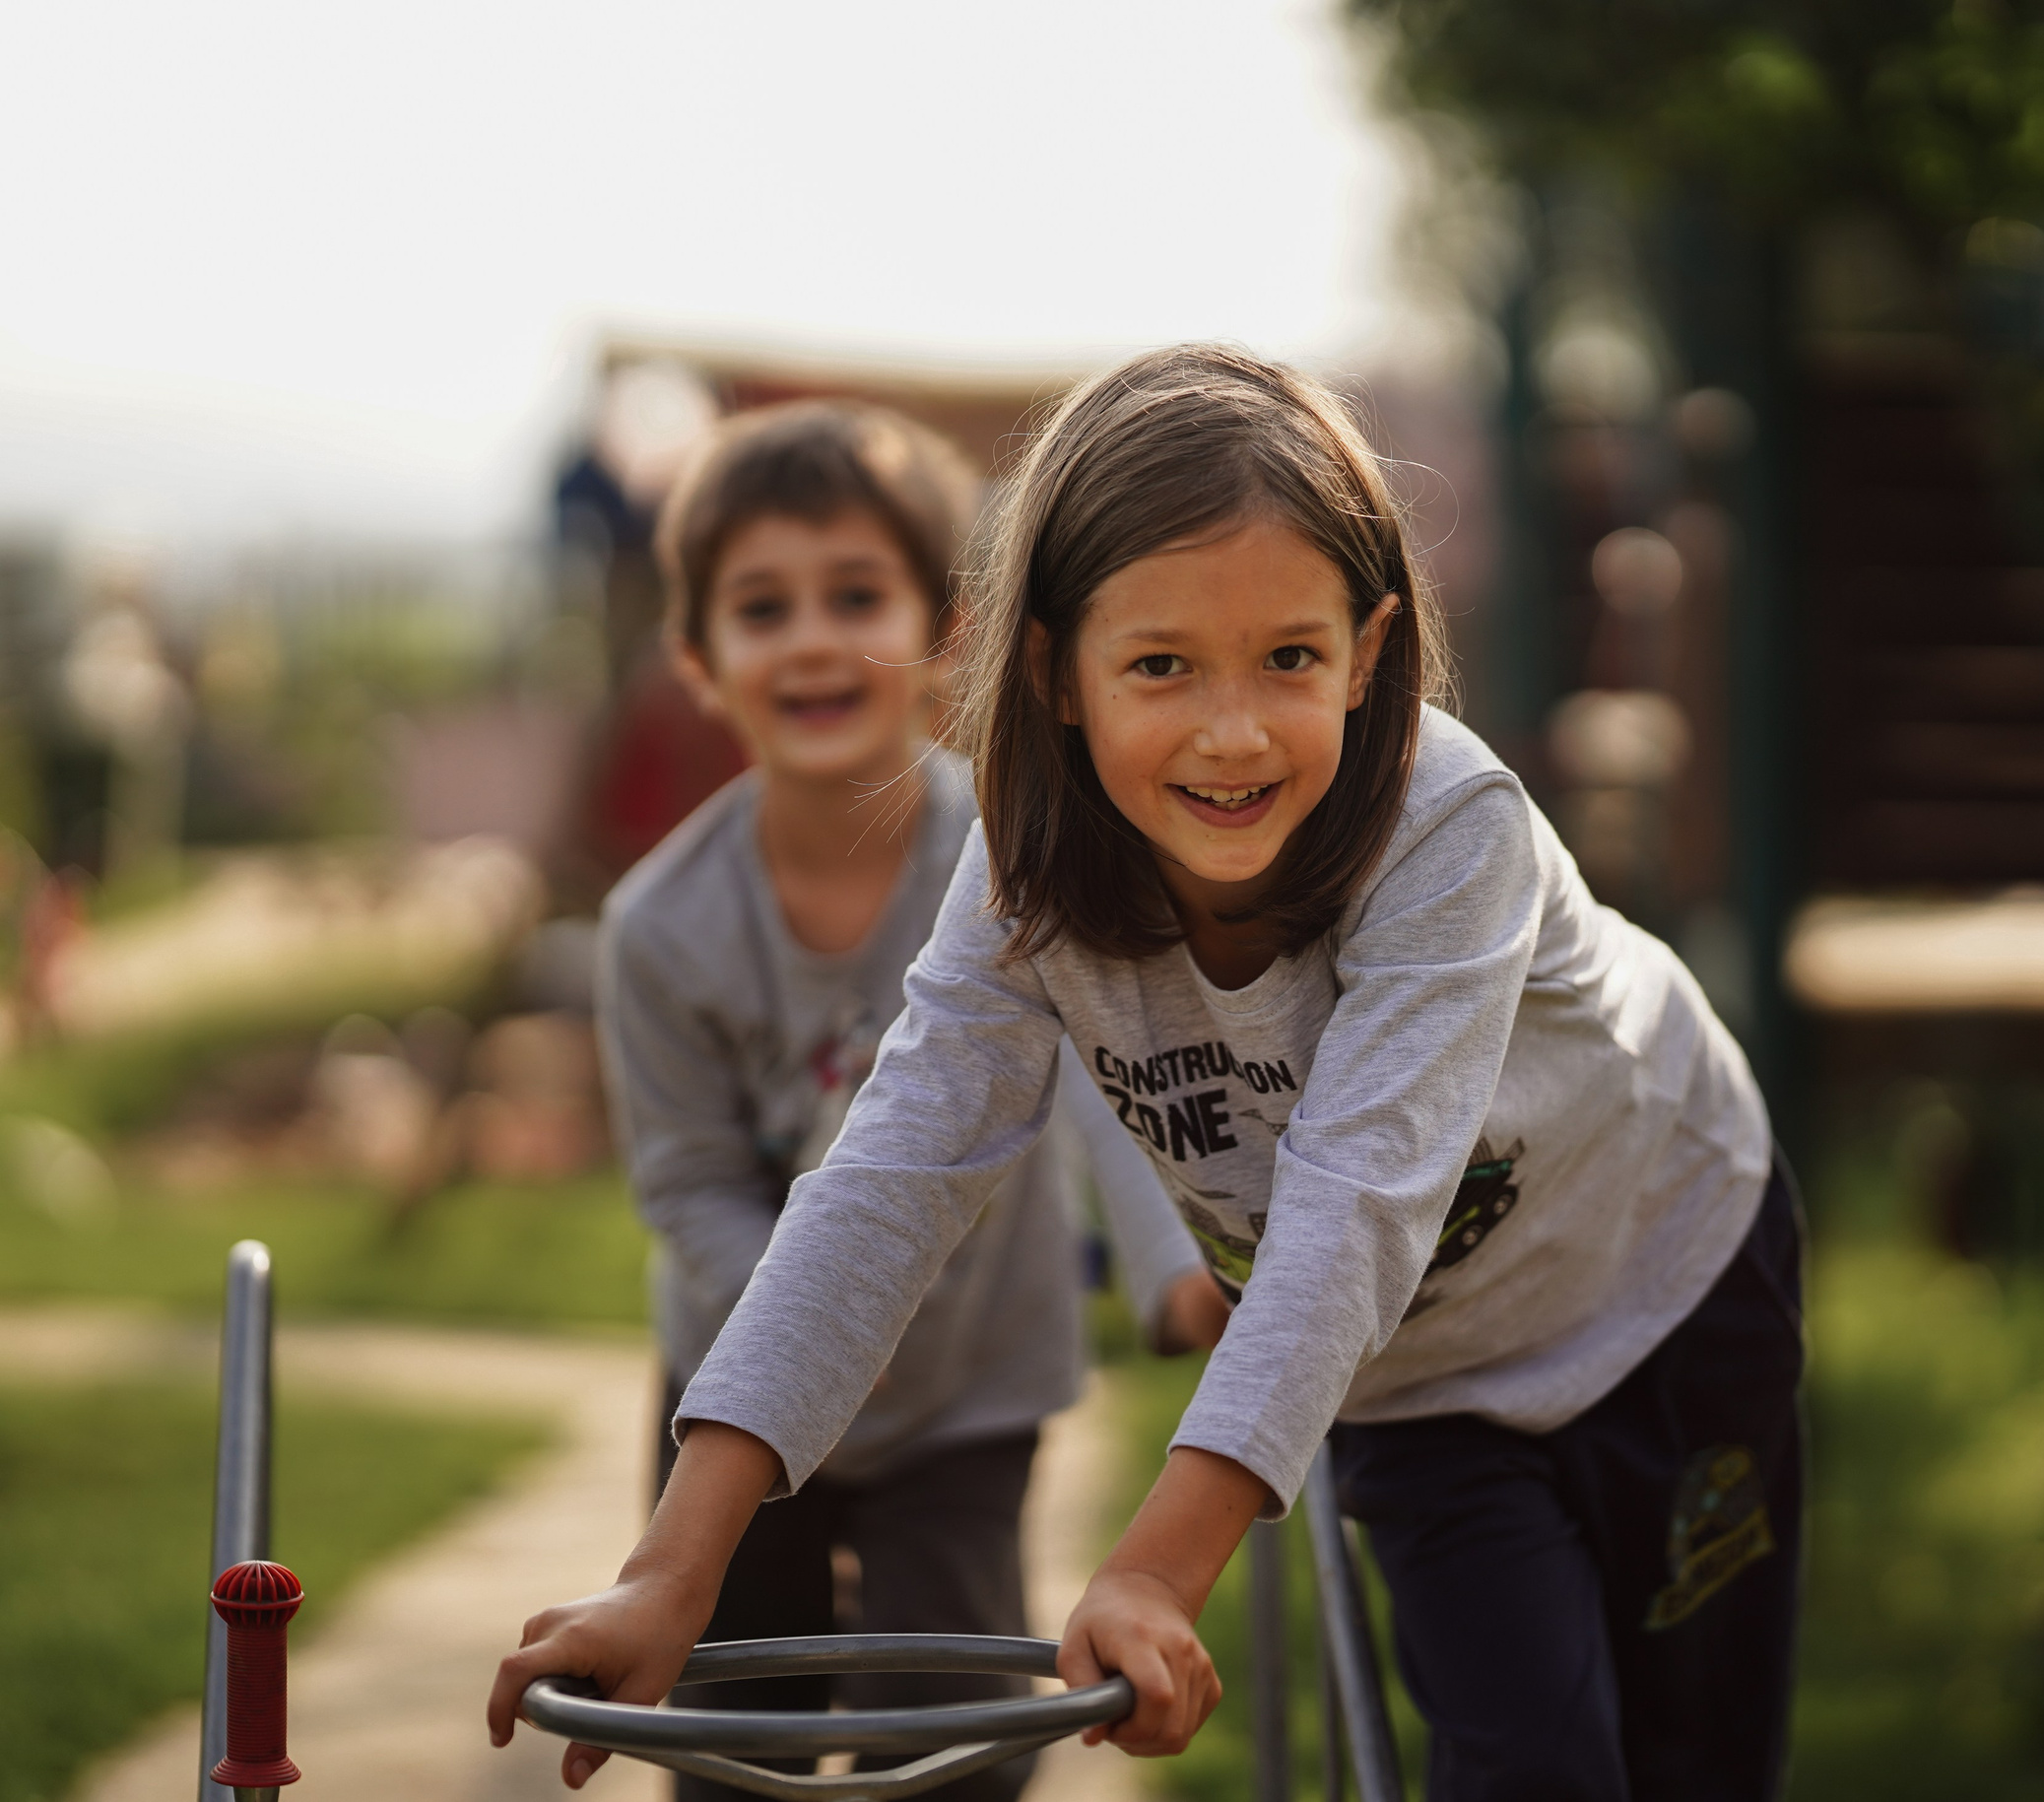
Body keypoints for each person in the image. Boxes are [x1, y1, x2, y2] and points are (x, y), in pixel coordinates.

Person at [494, 349, 1801, 1802]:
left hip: (1668, 1273)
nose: (1230, 732)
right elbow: (885, 1182)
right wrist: (674, 1569)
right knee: (1527, 1768)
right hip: (1429, 1385)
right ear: (1053, 668)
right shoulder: (1028, 876)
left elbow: (1356, 1204)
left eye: (1289, 659)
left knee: (1694, 1760)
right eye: (1160, 664)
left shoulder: (1448, 828)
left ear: (1368, 653)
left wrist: (1156, 1569)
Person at [591, 399, 1225, 1802]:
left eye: (856, 594)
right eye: (764, 606)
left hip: (965, 1391)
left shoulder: (1024, 854)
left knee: (949, 1738)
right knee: (731, 1741)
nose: (813, 635)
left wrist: (1176, 1271)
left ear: (945, 633)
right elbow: (687, 1180)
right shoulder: (662, 927)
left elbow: (1109, 1096)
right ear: (702, 657)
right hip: (738, 1390)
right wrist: (809, 1324)